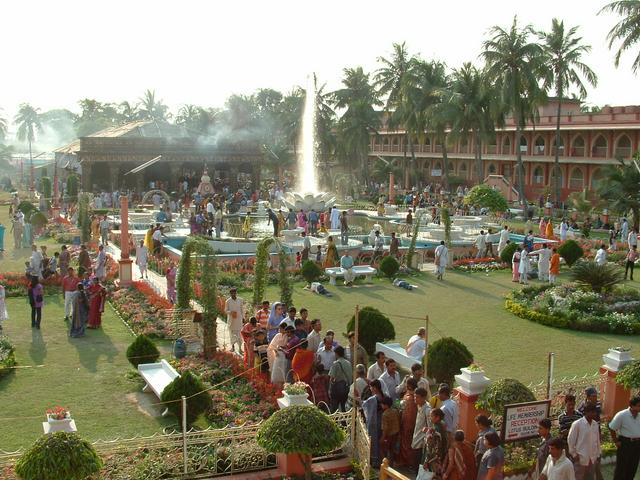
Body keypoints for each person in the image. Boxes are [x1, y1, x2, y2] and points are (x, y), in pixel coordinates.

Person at [608, 396, 640, 480]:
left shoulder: (639, 416)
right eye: (638, 405)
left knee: (632, 468)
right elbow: (612, 428)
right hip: (625, 443)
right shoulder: (622, 415)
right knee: (621, 469)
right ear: (632, 405)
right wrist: (616, 442)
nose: (639, 408)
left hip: (637, 445)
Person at [567, 403, 601, 480]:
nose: (594, 414)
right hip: (581, 458)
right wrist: (574, 455)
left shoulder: (595, 424)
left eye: (595, 412)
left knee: (590, 478)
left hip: (592, 458)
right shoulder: (577, 424)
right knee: (578, 477)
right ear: (586, 412)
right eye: (592, 412)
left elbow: (597, 440)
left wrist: (598, 454)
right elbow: (570, 440)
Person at [363, 379, 384, 468]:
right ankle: (381, 460)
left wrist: (357, 399)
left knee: (374, 441)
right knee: (380, 442)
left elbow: (364, 405)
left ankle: (374, 461)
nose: (370, 389)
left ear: (375, 388)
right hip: (382, 421)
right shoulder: (384, 396)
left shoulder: (373, 399)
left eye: (371, 387)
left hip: (374, 422)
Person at [424, 408, 448, 476]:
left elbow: (431, 447)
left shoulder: (436, 431)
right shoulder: (441, 424)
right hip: (441, 456)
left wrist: (426, 461)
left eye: (431, 416)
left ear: (437, 417)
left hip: (434, 458)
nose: (429, 418)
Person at [328, 346, 352, 412]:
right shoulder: (348, 363)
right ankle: (344, 421)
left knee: (334, 409)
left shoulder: (336, 364)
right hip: (347, 388)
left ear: (336, 354)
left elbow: (331, 378)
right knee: (344, 407)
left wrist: (330, 389)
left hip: (337, 390)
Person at [380, 396, 401, 465]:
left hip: (388, 435)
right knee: (392, 450)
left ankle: (385, 465)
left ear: (385, 405)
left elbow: (385, 428)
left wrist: (382, 438)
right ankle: (391, 464)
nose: (381, 405)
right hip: (396, 433)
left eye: (382, 404)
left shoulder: (385, 414)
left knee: (384, 450)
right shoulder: (395, 411)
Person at [224, 288, 245, 353]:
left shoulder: (240, 300)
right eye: (232, 293)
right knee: (232, 334)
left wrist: (243, 317)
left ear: (236, 293)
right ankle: (232, 347)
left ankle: (240, 349)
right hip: (231, 320)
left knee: (239, 335)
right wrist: (230, 312)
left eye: (234, 293)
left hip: (239, 320)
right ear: (230, 294)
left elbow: (242, 309)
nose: (233, 294)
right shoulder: (228, 301)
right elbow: (225, 310)